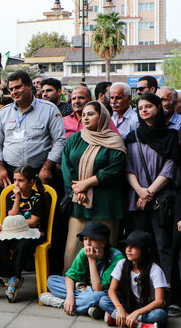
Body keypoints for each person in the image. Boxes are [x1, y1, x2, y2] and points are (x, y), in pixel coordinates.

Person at [62, 101, 127, 271]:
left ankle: (104, 286)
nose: (85, 118)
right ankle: (74, 284)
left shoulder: (114, 141)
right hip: (80, 201)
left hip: (105, 203)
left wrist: (86, 184)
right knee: (74, 248)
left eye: (90, 114)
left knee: (103, 248)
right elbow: (66, 165)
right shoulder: (76, 138)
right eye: (83, 115)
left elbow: (114, 170)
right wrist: (77, 188)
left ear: (103, 116)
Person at [125, 92, 179, 284]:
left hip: (161, 199)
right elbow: (128, 167)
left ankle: (167, 290)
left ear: (158, 107)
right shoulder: (133, 137)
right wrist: (140, 191)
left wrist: (149, 192)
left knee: (163, 244)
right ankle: (139, 287)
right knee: (138, 243)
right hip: (136, 198)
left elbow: (170, 167)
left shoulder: (171, 136)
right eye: (140, 108)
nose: (144, 110)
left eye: (148, 106)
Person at [0, 70, 66, 188]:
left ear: (29, 85)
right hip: (10, 174)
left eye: (18, 87)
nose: (14, 92)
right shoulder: (4, 113)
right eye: (11, 89)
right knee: (10, 206)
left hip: (40, 173)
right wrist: (0, 168)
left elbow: (60, 141)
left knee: (41, 206)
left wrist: (47, 167)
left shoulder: (49, 109)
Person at [41, 222, 124, 318]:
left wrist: (91, 259)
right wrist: (70, 296)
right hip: (85, 289)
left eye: (92, 239)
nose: (87, 243)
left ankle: (62, 303)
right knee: (51, 280)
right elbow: (70, 276)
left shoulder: (117, 258)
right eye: (85, 239)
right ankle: (87, 306)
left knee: (97, 297)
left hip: (106, 292)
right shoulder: (84, 251)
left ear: (103, 242)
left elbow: (98, 288)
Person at [0, 166, 47, 303]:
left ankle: (12, 278)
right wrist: (17, 198)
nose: (16, 184)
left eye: (20, 180)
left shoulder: (38, 198)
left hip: (33, 233)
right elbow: (11, 215)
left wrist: (14, 223)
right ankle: (11, 277)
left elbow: (33, 222)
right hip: (14, 231)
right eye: (15, 180)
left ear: (31, 182)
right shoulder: (12, 196)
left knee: (22, 246)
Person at [100, 230, 168, 327]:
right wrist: (119, 308)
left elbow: (159, 301)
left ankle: (118, 318)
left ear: (145, 249)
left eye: (134, 246)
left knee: (159, 315)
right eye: (127, 246)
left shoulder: (155, 270)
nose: (128, 249)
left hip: (147, 309)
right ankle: (139, 325)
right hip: (128, 305)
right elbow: (111, 290)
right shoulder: (122, 263)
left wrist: (137, 313)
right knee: (103, 301)